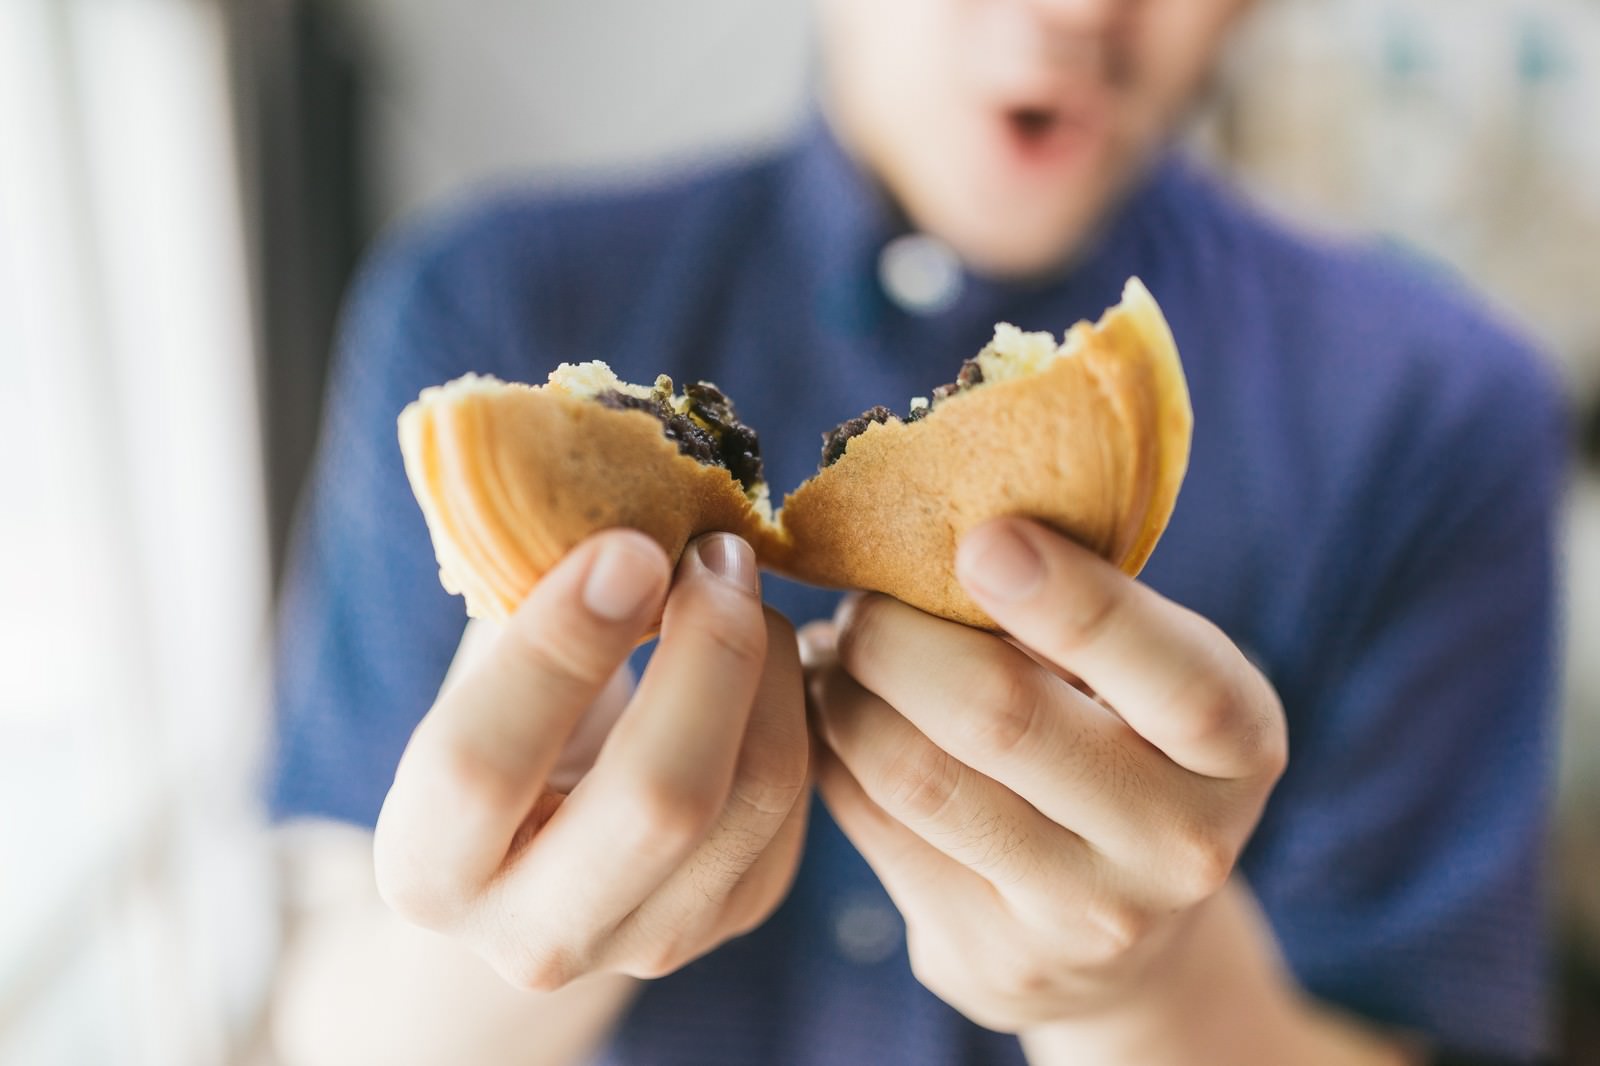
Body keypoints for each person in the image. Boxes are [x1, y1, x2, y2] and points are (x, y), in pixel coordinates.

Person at [266, 1, 1567, 1064]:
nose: (1078, 10)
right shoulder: (480, 317)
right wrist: (499, 940)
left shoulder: (1443, 413)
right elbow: (326, 1013)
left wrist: (1145, 993)